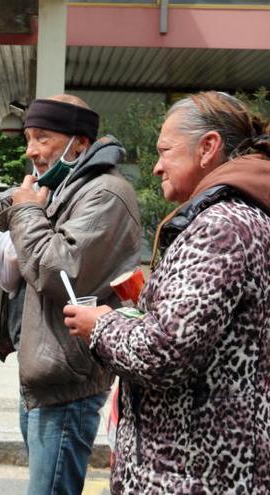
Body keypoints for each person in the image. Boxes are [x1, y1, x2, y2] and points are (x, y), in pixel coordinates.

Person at [0, 95, 142, 494]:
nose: (31, 150)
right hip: (41, 372)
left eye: (42, 138)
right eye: (29, 137)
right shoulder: (58, 183)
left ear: (79, 143)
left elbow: (58, 270)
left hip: (68, 378)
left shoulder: (105, 194)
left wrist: (27, 211)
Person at [64, 91, 270, 493]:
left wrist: (102, 325)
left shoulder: (222, 226)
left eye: (165, 150)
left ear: (208, 147)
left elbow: (164, 353)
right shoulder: (245, 216)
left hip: (191, 472)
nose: (157, 167)